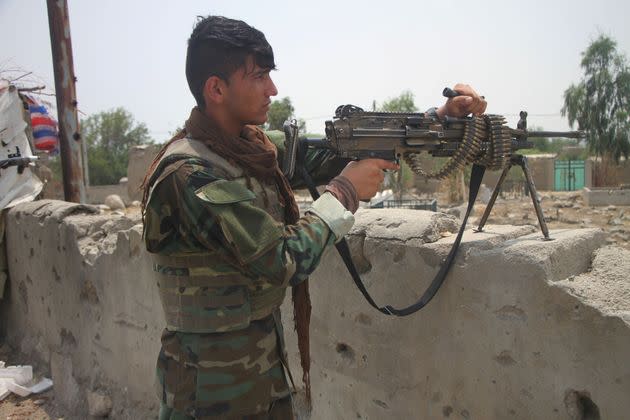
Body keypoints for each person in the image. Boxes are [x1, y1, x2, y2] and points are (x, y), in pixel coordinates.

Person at [141, 15, 486, 420]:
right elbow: (279, 260)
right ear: (216, 88)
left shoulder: (249, 148)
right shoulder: (190, 173)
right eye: (259, 77)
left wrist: (439, 118)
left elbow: (333, 152)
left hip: (262, 375)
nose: (273, 89)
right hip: (207, 393)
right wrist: (344, 192)